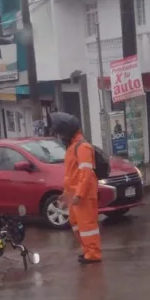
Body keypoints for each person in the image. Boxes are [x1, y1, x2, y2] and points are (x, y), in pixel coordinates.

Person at [50, 112, 102, 264]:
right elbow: (72, 175)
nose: (59, 136)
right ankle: (87, 251)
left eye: (60, 133)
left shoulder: (82, 147)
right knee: (76, 224)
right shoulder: (73, 147)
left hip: (83, 196)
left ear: (67, 131)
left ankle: (93, 254)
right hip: (74, 195)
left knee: (87, 225)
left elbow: (86, 174)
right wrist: (66, 194)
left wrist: (79, 194)